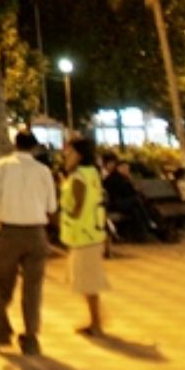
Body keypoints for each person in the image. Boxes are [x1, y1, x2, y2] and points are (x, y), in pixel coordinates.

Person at [0, 131, 58, 356]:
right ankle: (31, 337)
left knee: (0, 283)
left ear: (15, 145)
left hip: (10, 232)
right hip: (36, 233)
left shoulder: (1, 167)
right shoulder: (44, 171)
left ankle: (1, 332)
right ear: (34, 148)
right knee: (33, 288)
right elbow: (51, 206)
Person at [61, 138, 110, 335]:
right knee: (87, 280)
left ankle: (97, 322)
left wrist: (63, 214)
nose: (66, 155)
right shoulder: (92, 173)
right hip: (92, 231)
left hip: (82, 234)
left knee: (87, 281)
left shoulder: (79, 177)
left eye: (69, 151)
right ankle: (96, 319)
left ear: (78, 154)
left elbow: (77, 206)